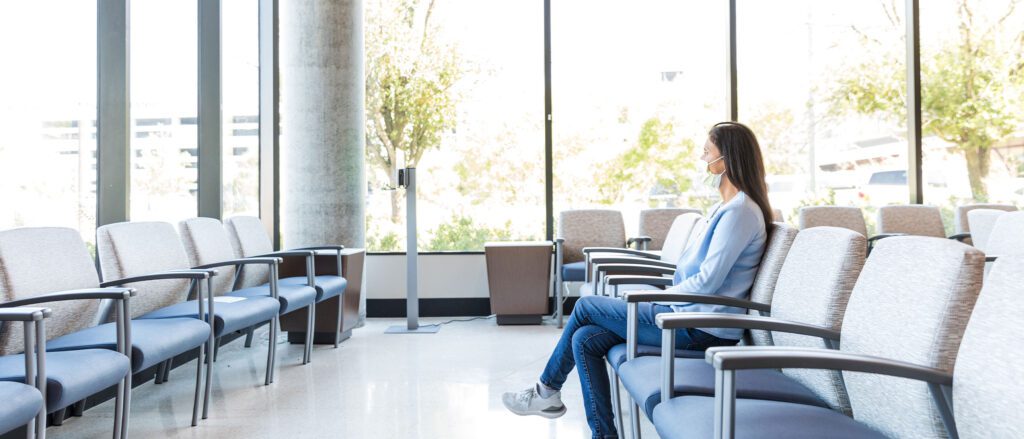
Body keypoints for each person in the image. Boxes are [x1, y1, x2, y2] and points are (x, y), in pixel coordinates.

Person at [501, 122, 774, 439]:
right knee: (585, 339)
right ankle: (602, 434)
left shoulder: (740, 212)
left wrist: (662, 299)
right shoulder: (726, 208)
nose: (703, 160)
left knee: (587, 306)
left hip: (700, 328)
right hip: (687, 314)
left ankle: (546, 390)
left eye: (707, 152)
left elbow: (708, 281)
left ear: (726, 159)